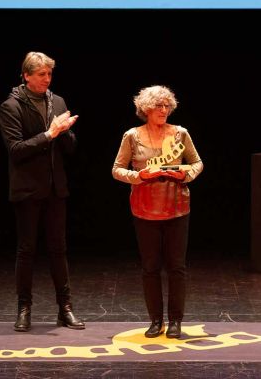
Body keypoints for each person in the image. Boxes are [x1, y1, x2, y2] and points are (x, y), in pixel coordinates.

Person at [0, 51, 85, 332]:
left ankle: (66, 309)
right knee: (27, 250)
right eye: (41, 75)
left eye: (49, 74)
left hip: (55, 189)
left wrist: (65, 131)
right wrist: (50, 133)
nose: (47, 79)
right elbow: (16, 150)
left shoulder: (57, 101)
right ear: (26, 75)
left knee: (58, 249)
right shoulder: (11, 106)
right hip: (27, 189)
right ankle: (24, 309)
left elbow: (70, 149)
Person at [112, 85, 203, 339]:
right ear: (146, 109)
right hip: (145, 210)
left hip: (177, 208)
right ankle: (155, 321)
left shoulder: (180, 134)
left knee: (176, 267)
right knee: (150, 268)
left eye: (167, 106)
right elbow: (117, 169)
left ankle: (175, 321)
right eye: (158, 106)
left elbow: (197, 163)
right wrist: (139, 176)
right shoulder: (132, 136)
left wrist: (185, 173)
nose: (163, 110)